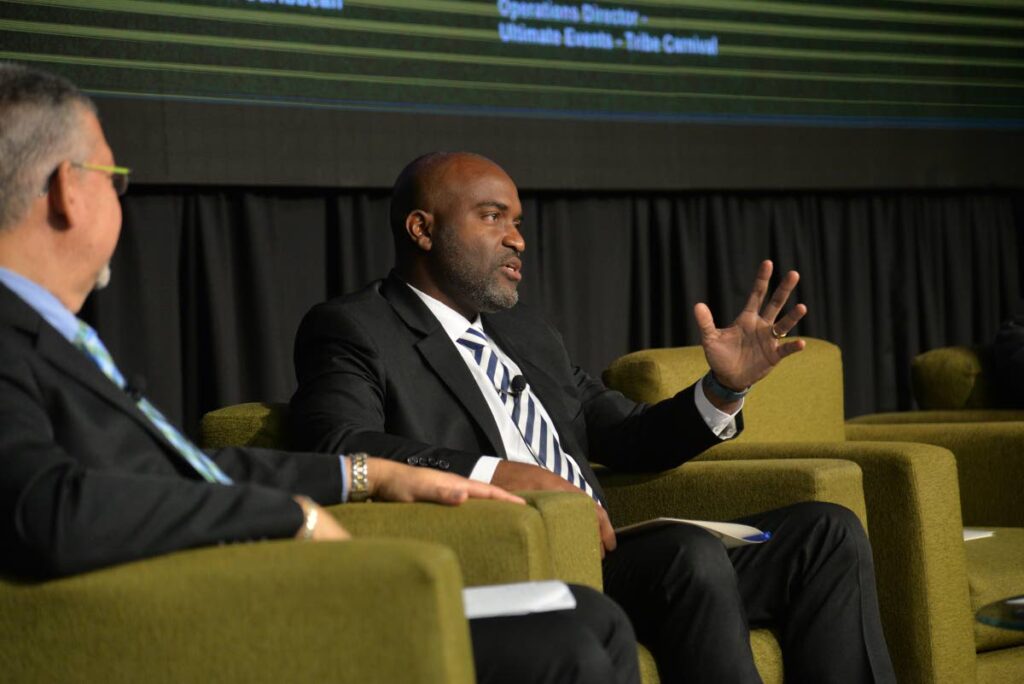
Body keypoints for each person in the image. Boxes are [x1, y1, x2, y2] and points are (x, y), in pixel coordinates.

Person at [0, 64, 641, 684]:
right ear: (65, 189)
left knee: (590, 618)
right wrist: (290, 517)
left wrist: (368, 474)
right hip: (185, 618)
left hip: (230, 590)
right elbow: (48, 508)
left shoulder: (55, 336)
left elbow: (182, 466)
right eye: (113, 175)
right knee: (568, 647)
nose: (120, 196)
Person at [290, 151, 898, 683]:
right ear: (422, 228)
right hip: (518, 554)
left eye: (518, 222)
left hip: (613, 555)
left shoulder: (526, 333)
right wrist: (496, 474)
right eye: (492, 216)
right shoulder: (356, 327)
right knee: (687, 554)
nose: (518, 239)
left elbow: (626, 434)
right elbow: (336, 443)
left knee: (826, 532)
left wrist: (721, 388)